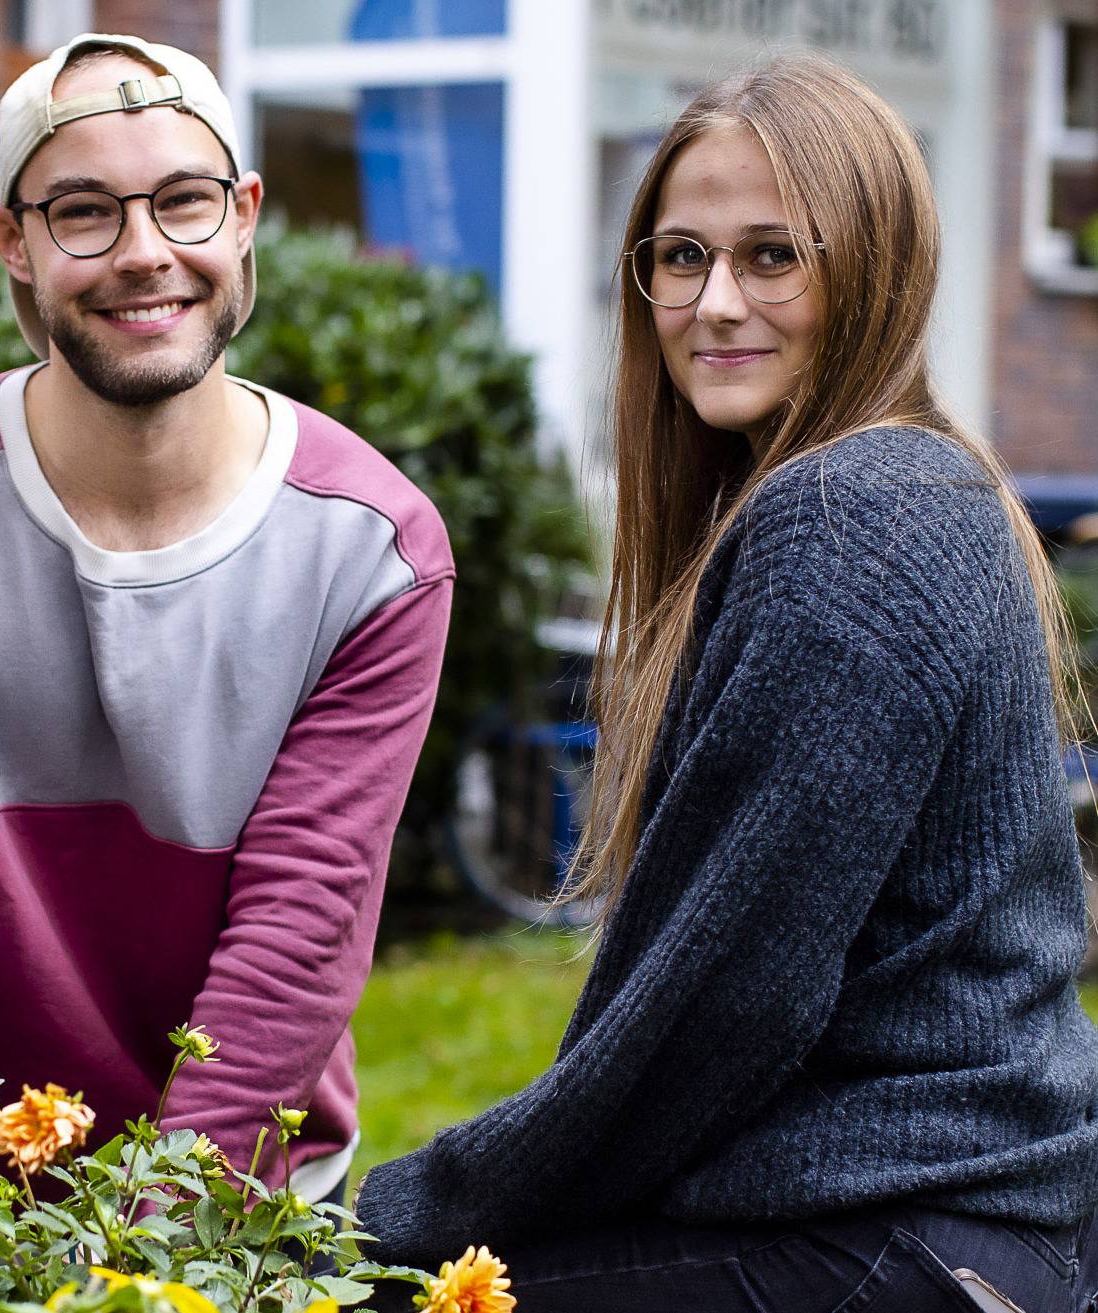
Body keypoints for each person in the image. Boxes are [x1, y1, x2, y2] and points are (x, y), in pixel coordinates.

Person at [355, 53, 1098, 1312]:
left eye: (770, 256)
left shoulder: (850, 519)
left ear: (868, 266)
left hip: (907, 1234)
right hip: (957, 1223)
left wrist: (404, 1218)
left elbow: (719, 1000)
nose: (712, 302)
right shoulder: (912, 487)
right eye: (679, 256)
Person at [0, 33, 452, 1207]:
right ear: (12, 241)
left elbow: (294, 947)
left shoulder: (373, 550)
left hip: (234, 1203)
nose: (145, 253)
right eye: (84, 212)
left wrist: (138, 1265)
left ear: (245, 214)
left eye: (184, 202)